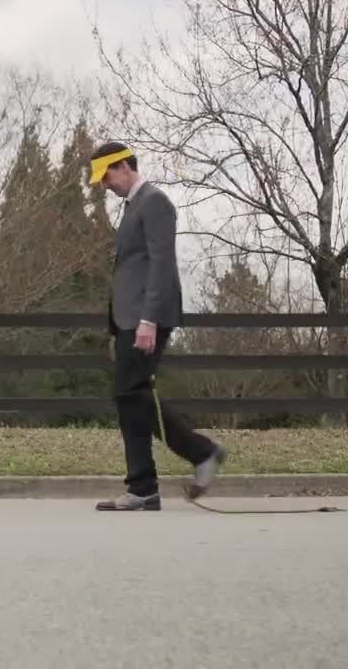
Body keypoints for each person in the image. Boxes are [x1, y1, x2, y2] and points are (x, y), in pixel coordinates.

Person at [88, 141, 226, 511]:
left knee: (131, 394)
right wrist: (118, 327)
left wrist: (147, 320)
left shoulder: (155, 202)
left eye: (106, 176)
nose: (104, 185)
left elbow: (161, 265)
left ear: (124, 166)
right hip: (130, 319)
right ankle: (148, 484)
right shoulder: (135, 206)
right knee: (130, 397)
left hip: (148, 316)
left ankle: (197, 455)